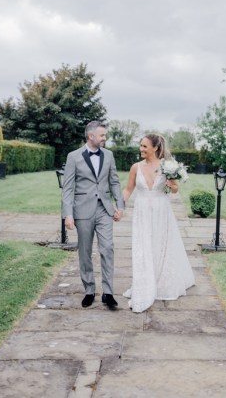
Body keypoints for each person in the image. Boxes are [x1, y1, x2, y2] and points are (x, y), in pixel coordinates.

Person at [123, 133, 195, 312]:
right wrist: (117, 206)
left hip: (161, 211)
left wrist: (173, 185)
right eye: (140, 145)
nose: (141, 149)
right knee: (143, 247)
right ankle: (144, 284)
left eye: (144, 146)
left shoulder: (167, 166)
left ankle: (161, 283)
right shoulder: (135, 167)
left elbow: (176, 189)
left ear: (155, 148)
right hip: (142, 213)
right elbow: (128, 190)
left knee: (161, 246)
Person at [62, 121, 125, 309]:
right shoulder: (73, 157)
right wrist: (68, 214)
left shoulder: (109, 155)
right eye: (102, 135)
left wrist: (119, 206)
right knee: (85, 251)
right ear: (91, 136)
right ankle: (89, 290)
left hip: (105, 209)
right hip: (82, 210)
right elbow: (68, 188)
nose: (105, 138)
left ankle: (108, 293)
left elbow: (114, 181)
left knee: (107, 248)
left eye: (105, 135)